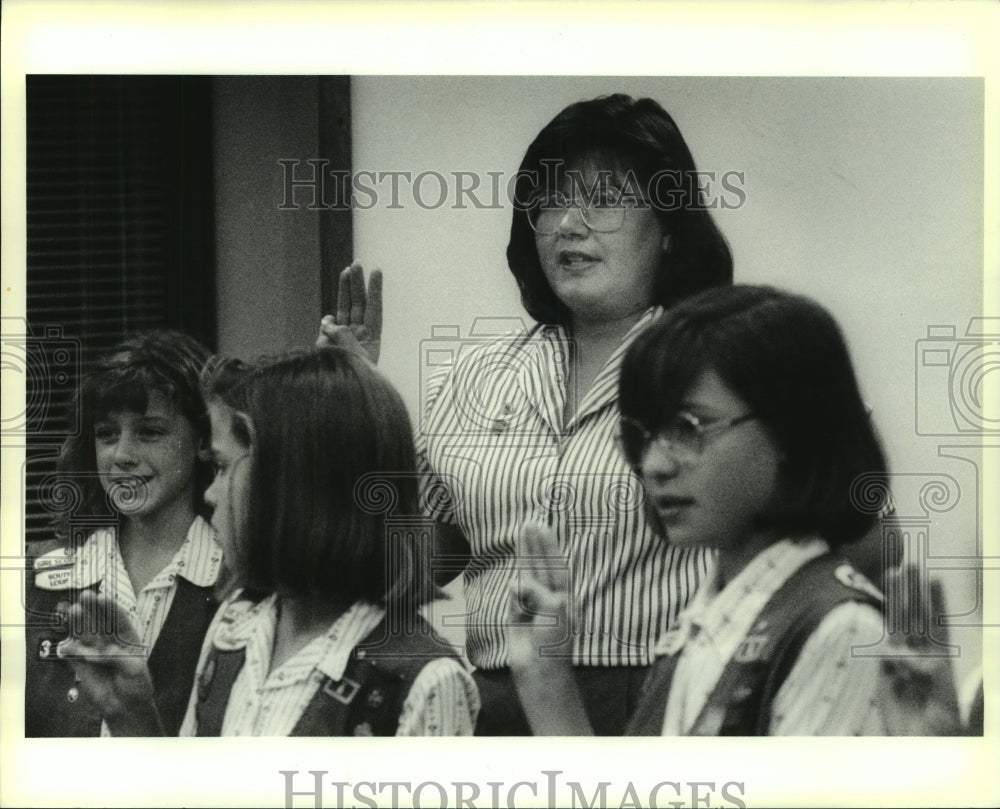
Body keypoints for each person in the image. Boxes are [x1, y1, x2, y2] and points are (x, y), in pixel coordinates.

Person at [319, 93, 733, 734]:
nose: (569, 223)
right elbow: (410, 563)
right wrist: (357, 413)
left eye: (603, 200)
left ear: (670, 225)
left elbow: (844, 522)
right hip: (494, 706)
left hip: (659, 703)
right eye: (550, 203)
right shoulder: (477, 374)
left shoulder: (724, 365)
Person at [508, 284, 907, 735]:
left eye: (688, 427)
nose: (654, 465)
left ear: (793, 432)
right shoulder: (703, 620)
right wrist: (542, 672)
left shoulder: (837, 628)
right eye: (641, 436)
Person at [59, 347, 480, 736]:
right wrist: (131, 712)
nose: (209, 492)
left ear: (291, 486)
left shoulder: (423, 682)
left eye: (223, 468)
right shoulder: (234, 627)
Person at [25, 330, 222, 737]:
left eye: (150, 431)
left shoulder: (239, 580)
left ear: (203, 441)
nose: (122, 455)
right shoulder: (35, 574)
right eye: (107, 434)